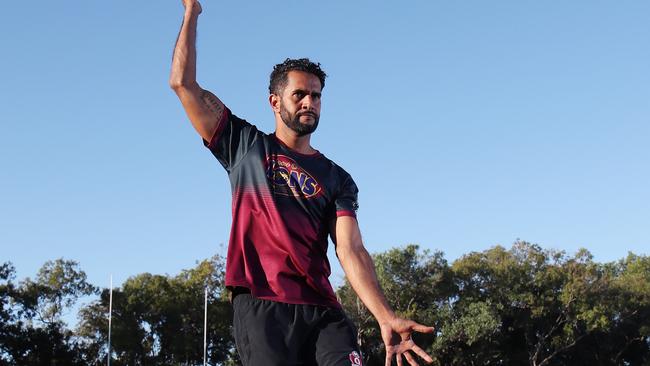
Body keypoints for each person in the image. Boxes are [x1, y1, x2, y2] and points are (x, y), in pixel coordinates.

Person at [169, 1, 435, 365]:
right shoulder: (244, 145)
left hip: (322, 310)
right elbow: (182, 84)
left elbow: (351, 250)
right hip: (262, 306)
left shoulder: (338, 179)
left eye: (316, 95)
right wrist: (192, 12)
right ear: (275, 102)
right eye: (300, 94)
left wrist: (384, 315)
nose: (310, 102)